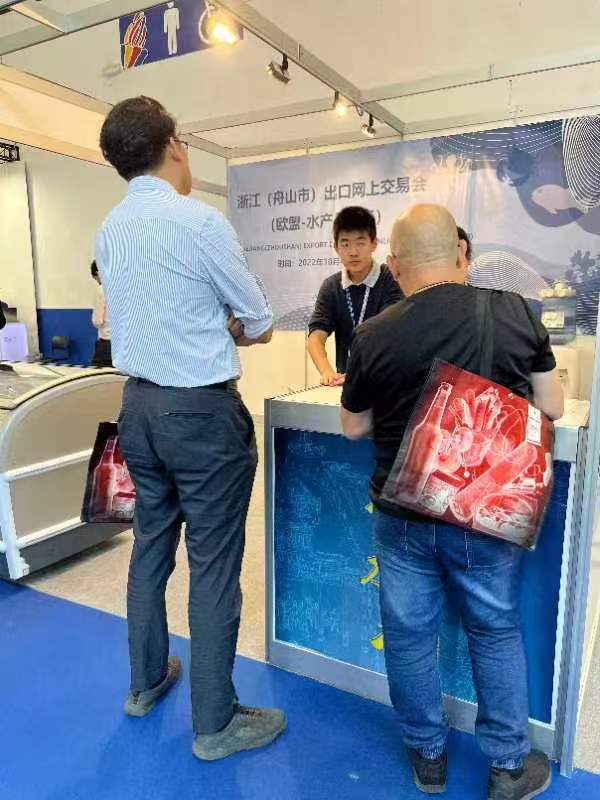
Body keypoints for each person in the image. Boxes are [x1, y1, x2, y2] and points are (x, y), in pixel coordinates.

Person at [340, 204, 563, 800]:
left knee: (409, 635)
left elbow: (353, 426)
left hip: (401, 515)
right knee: (494, 630)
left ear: (394, 266)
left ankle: (428, 759)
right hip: (484, 510)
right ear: (461, 253)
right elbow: (553, 406)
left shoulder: (373, 332)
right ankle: (508, 768)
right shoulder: (514, 311)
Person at [96, 96, 286, 762]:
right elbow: (260, 320)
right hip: (201, 415)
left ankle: (145, 683)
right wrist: (228, 326)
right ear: (175, 145)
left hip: (138, 410)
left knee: (151, 546)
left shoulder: (109, 229)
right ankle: (215, 722)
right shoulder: (199, 222)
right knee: (213, 564)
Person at [307, 206, 403, 386]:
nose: (353, 252)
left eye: (360, 242)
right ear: (336, 248)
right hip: (347, 384)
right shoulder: (331, 286)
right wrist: (327, 372)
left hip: (386, 383)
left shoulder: (390, 279)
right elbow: (315, 337)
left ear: (374, 243)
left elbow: (390, 330)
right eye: (345, 244)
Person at [90, 261, 113, 367]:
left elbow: (97, 321)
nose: (97, 282)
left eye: (96, 279)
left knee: (97, 372)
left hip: (106, 342)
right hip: (123, 343)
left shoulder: (102, 290)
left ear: (98, 273)